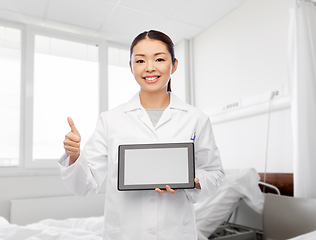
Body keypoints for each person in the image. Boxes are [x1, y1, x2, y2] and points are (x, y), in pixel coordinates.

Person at [59, 30, 224, 240]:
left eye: (159, 59)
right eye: (140, 60)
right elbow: (85, 186)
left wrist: (192, 180)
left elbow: (215, 173)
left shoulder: (196, 119)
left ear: (173, 65)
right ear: (131, 67)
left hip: (175, 232)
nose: (150, 67)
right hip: (126, 233)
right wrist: (74, 155)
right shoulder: (111, 120)